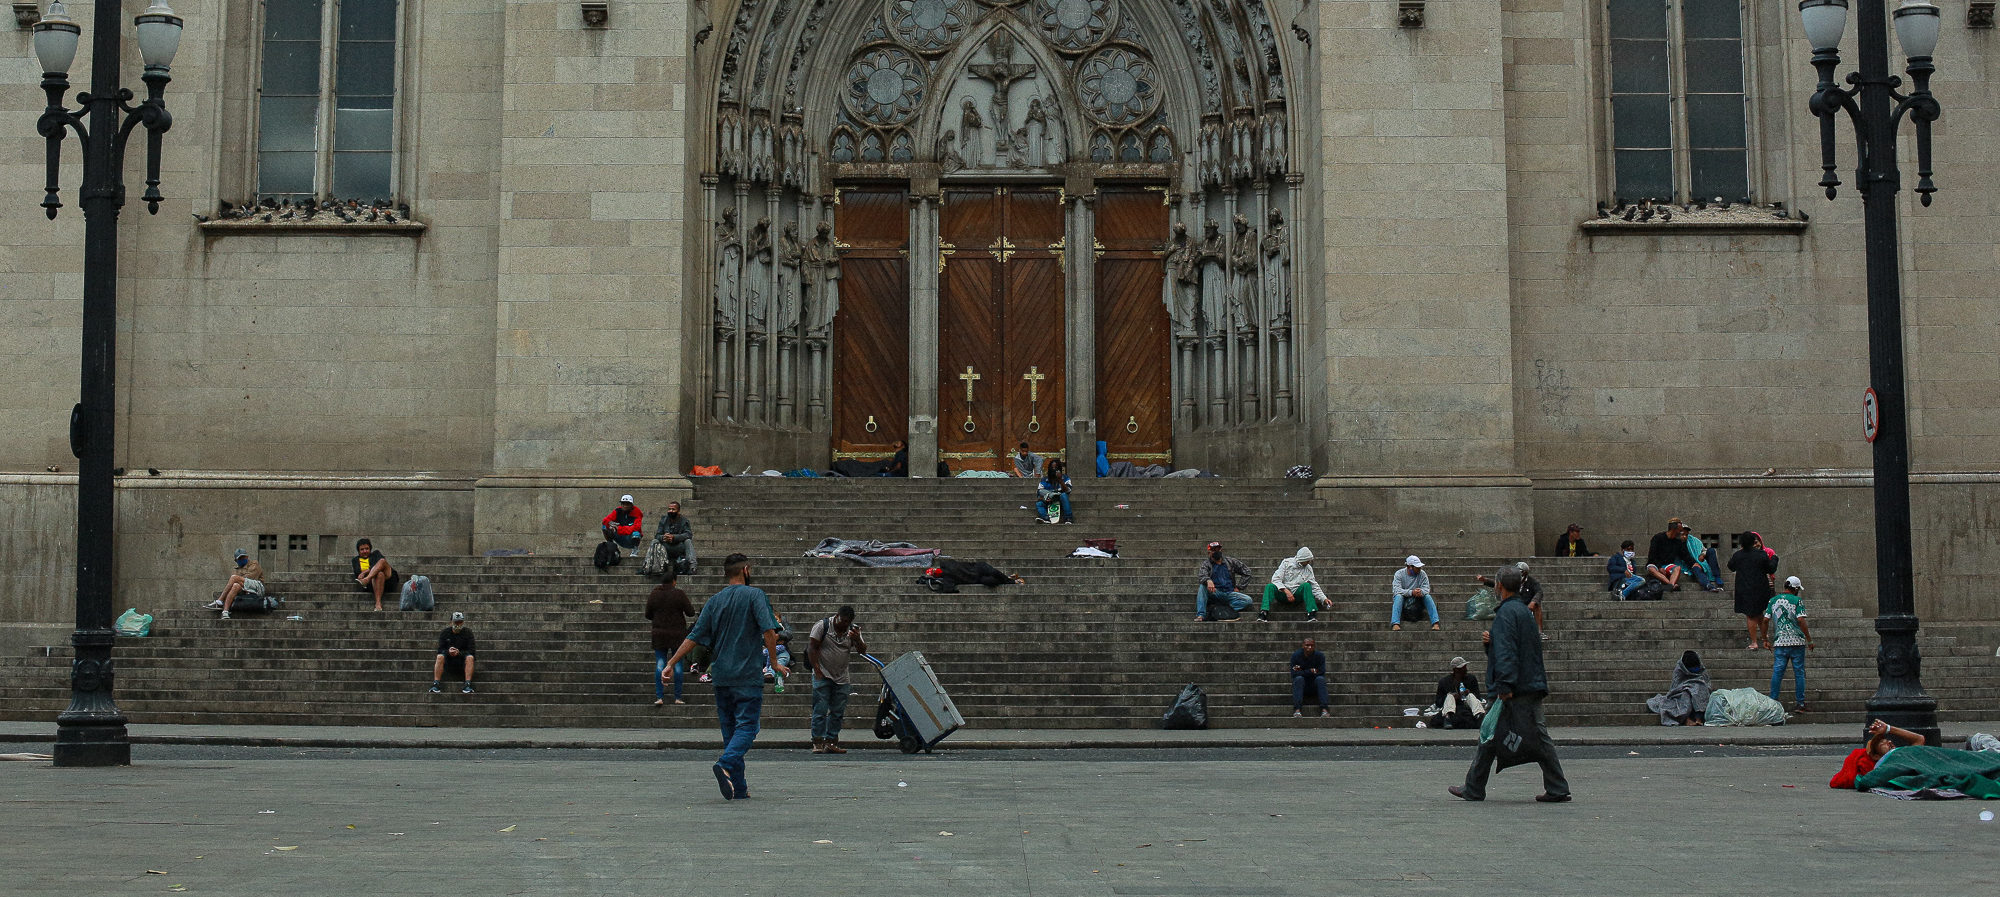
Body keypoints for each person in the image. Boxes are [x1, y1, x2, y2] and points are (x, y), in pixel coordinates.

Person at [664, 553, 786, 800]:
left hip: (721, 677)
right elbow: (769, 631)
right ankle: (725, 763)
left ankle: (739, 788)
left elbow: (694, 636)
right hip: (747, 674)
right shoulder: (755, 595)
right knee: (749, 727)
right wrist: (774, 663)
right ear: (746, 570)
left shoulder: (715, 600)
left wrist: (671, 662)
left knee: (731, 732)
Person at [1450, 567, 1570, 802]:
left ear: (1500, 586)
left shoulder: (1505, 614)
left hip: (1514, 688)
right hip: (1530, 683)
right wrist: (1492, 643)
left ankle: (1474, 788)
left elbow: (1506, 653)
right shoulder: (1524, 611)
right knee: (1500, 734)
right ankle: (1475, 786)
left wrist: (1504, 686)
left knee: (1491, 734)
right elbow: (1522, 647)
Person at [807, 606, 869, 754]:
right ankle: (817, 741)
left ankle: (831, 741)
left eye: (847, 622)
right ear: (837, 616)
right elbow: (812, 648)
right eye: (842, 621)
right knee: (820, 709)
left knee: (837, 711)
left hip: (841, 676)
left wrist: (857, 639)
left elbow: (862, 651)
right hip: (823, 673)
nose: (843, 625)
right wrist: (817, 670)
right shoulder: (822, 626)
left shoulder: (853, 630)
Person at [646, 570, 696, 706]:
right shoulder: (679, 594)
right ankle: (678, 697)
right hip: (677, 634)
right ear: (674, 581)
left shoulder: (654, 594)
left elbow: (648, 614)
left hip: (659, 634)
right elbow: (691, 612)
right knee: (677, 663)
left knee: (660, 663)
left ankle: (659, 696)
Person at [1829, 719, 1926, 789]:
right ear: (1876, 756)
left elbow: (1919, 739)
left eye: (1887, 740)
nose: (1889, 742)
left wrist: (1888, 728)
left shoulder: (1902, 753)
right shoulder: (1883, 767)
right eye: (1883, 744)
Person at [1765, 575, 1814, 712]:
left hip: (1780, 642)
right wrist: (1809, 639)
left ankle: (1773, 701)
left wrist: (1764, 639)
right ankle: (1800, 703)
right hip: (1797, 641)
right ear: (1796, 588)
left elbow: (1765, 620)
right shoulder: (1797, 601)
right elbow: (1801, 620)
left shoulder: (1773, 600)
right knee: (1799, 672)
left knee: (1777, 671)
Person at [1726, 531, 1780, 649]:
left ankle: (1755, 642)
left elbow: (1730, 566)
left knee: (1750, 615)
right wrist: (1775, 558)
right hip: (1760, 588)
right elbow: (1770, 569)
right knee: (1758, 613)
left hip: (1744, 589)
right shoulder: (1761, 554)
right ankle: (1764, 639)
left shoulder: (1738, 555)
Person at [1645, 650, 1712, 726]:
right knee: (1686, 696)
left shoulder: (1701, 668)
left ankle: (1698, 718)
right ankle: (1687, 719)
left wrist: (1696, 689)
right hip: (1681, 693)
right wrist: (1688, 688)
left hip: (1699, 690)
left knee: (1701, 692)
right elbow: (1675, 688)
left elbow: (1706, 683)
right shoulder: (1679, 670)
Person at [1476, 561, 1544, 634]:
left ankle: (1539, 632)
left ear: (1525, 573)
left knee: (1538, 605)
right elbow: (1500, 584)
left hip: (1527, 605)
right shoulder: (1513, 580)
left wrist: (1533, 601)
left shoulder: (1533, 582)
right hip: (1514, 604)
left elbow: (1539, 592)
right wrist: (1485, 580)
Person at [1258, 546, 1321, 623]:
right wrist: (1286, 591)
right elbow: (1275, 579)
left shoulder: (1308, 569)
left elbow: (1314, 586)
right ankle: (1264, 612)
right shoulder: (1286, 563)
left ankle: (1311, 613)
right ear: (1302, 559)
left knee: (1307, 585)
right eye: (1307, 560)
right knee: (1269, 586)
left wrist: (1324, 599)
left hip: (1297, 595)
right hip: (1283, 594)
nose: (1309, 562)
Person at [1195, 541, 1255, 622]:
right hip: (1215, 592)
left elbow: (1247, 572)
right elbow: (1202, 575)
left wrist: (1239, 587)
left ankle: (1223, 607)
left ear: (1221, 550)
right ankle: (1201, 615)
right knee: (1202, 587)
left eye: (1218, 549)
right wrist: (1208, 580)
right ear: (1209, 553)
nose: (1216, 551)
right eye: (1213, 550)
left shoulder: (1230, 561)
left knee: (1248, 600)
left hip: (1229, 593)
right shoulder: (1206, 564)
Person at [209, 548, 267, 620]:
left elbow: (250, 578)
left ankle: (220, 600)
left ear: (247, 557)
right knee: (235, 586)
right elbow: (238, 581)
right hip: (245, 588)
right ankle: (225, 611)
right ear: (236, 560)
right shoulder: (236, 569)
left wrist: (238, 578)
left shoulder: (254, 564)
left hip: (258, 588)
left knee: (234, 578)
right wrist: (238, 579)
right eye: (240, 558)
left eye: (243, 557)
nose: (242, 559)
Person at [1429, 656, 1487, 730]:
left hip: (1467, 704)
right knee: (1450, 696)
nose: (1465, 669)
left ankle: (1479, 715)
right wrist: (1453, 697)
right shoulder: (1444, 682)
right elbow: (1438, 702)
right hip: (1450, 706)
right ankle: (1448, 717)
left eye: (1465, 667)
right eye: (1462, 668)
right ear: (1456, 670)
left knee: (1471, 695)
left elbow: (1478, 697)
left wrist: (1468, 693)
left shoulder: (1471, 679)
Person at [429, 612, 476, 694]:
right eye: (456, 622)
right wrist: (448, 652)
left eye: (460, 622)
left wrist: (459, 653)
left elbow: (472, 651)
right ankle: (436, 683)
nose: (458, 624)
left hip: (462, 661)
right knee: (440, 657)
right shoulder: (445, 633)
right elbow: (440, 650)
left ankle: (467, 684)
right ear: (451, 622)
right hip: (448, 661)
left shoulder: (468, 633)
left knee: (470, 657)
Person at [1645, 518, 1697, 591]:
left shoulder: (1678, 542)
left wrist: (1694, 564)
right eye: (1680, 530)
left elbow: (1685, 555)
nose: (1681, 532)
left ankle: (1670, 585)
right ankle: (1671, 585)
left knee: (1677, 568)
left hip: (1667, 565)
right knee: (1651, 569)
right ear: (1674, 529)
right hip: (1655, 564)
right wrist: (1659, 567)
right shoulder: (1658, 538)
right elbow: (1652, 555)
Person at [1391, 555, 1440, 631]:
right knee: (1398, 596)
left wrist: (1420, 592)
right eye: (1417, 567)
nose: (1419, 569)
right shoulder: (1399, 574)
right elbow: (1396, 590)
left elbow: (1426, 589)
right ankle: (1395, 623)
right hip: (1404, 599)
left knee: (1428, 597)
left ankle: (1435, 622)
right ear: (1409, 567)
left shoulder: (1422, 574)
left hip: (1418, 599)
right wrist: (1411, 592)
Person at [352, 537, 399, 612]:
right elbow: (358, 574)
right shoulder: (355, 560)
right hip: (373, 583)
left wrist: (365, 572)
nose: (365, 551)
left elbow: (381, 564)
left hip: (388, 579)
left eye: (367, 548)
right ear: (358, 551)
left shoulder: (376, 554)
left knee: (382, 561)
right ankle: (378, 603)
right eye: (362, 549)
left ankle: (366, 580)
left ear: (370, 549)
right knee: (379, 574)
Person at [654, 500, 697, 575]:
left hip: (679, 547)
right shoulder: (663, 520)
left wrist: (674, 537)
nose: (671, 511)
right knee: (654, 541)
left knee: (688, 541)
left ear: (678, 511)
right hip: (665, 547)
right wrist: (663, 537)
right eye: (669, 509)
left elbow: (688, 534)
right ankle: (654, 567)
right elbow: (657, 535)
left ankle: (692, 567)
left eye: (673, 509)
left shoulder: (684, 521)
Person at [1290, 637, 1329, 718]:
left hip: (1314, 684)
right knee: (1298, 679)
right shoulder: (1296, 656)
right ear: (1303, 645)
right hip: (1301, 685)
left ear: (1314, 646)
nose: (1309, 647)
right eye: (1307, 645)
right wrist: (1310, 671)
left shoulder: (1319, 656)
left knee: (1320, 679)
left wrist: (1302, 671)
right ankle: (1297, 710)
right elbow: (1294, 673)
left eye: (1312, 645)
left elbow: (1321, 672)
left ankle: (1324, 709)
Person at [1683, 526, 1724, 593]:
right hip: (1690, 565)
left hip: (1700, 560)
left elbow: (1703, 549)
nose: (1685, 536)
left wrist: (1702, 554)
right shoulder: (1677, 543)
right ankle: (1707, 585)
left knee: (1711, 551)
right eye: (1683, 534)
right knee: (1696, 568)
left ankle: (1717, 576)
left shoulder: (1693, 540)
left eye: (1686, 534)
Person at [1036, 458, 1074, 524]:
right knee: (1039, 504)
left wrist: (1060, 480)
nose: (1053, 470)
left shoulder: (1065, 478)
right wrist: (1045, 498)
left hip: (1061, 500)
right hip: (1049, 500)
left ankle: (1068, 518)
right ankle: (1045, 518)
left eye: (1056, 468)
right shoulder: (1044, 480)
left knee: (1064, 495)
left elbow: (1068, 491)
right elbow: (1039, 496)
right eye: (1052, 468)